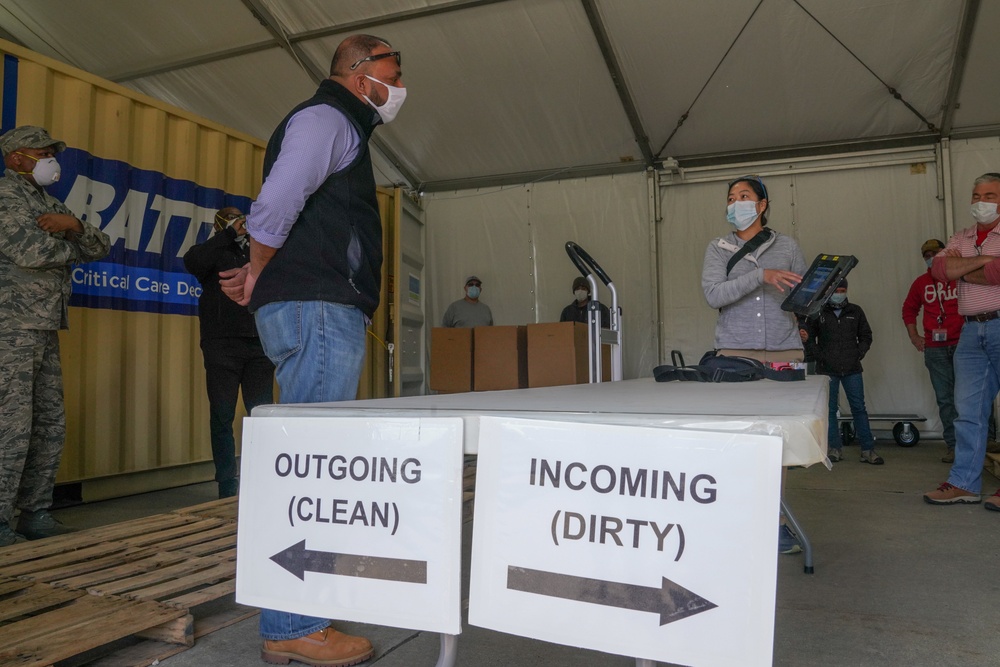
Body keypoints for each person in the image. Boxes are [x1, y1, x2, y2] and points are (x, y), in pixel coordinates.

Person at [218, 34, 405, 665]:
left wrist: (256, 273)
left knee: (308, 460)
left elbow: (284, 216)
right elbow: (278, 201)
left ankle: (297, 616)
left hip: (314, 305)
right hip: (320, 309)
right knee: (313, 466)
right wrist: (260, 267)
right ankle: (294, 625)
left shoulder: (341, 121)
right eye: (392, 71)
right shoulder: (328, 118)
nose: (401, 84)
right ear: (359, 75)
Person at [0, 125, 110, 546]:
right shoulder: (6, 196)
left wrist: (74, 226)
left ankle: (34, 512)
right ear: (16, 160)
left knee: (48, 422)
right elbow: (29, 251)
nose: (49, 160)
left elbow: (100, 246)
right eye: (39, 153)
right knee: (11, 425)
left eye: (50, 152)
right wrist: (72, 244)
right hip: (12, 325)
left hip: (44, 324)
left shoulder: (49, 202)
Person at [701, 175, 806, 555]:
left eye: (744, 196)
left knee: (775, 443)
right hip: (735, 355)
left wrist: (815, 296)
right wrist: (759, 276)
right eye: (731, 197)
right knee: (735, 439)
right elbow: (714, 294)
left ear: (762, 205)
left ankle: (775, 524)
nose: (736, 203)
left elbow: (802, 297)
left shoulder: (789, 246)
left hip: (783, 352)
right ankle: (734, 519)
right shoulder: (718, 248)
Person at [183, 207, 274, 499]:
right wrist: (228, 234)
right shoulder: (212, 251)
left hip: (259, 346)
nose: (241, 222)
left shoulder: (256, 253)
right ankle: (227, 485)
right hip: (222, 346)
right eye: (234, 219)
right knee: (222, 416)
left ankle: (263, 479)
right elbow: (193, 262)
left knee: (260, 416)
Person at [924, 172, 1000, 510]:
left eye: (990, 195)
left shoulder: (963, 244)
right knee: (967, 412)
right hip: (970, 331)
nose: (980, 201)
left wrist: (961, 266)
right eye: (976, 194)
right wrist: (985, 261)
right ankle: (964, 483)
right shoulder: (963, 234)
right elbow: (938, 271)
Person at [800, 279, 884, 465]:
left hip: (852, 368)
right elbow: (808, 337)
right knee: (829, 410)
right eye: (836, 290)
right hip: (827, 369)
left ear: (847, 290)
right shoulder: (818, 311)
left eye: (843, 289)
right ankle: (834, 449)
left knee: (859, 408)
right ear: (829, 291)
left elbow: (866, 336)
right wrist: (819, 355)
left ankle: (868, 450)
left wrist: (858, 353)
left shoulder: (856, 311)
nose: (839, 292)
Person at [901, 239, 962, 463]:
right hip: (935, 349)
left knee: (971, 397)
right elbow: (908, 309)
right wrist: (914, 336)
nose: (931, 257)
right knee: (945, 399)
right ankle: (953, 446)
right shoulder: (921, 283)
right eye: (927, 254)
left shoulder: (961, 276)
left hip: (963, 345)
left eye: (936, 252)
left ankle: (983, 442)